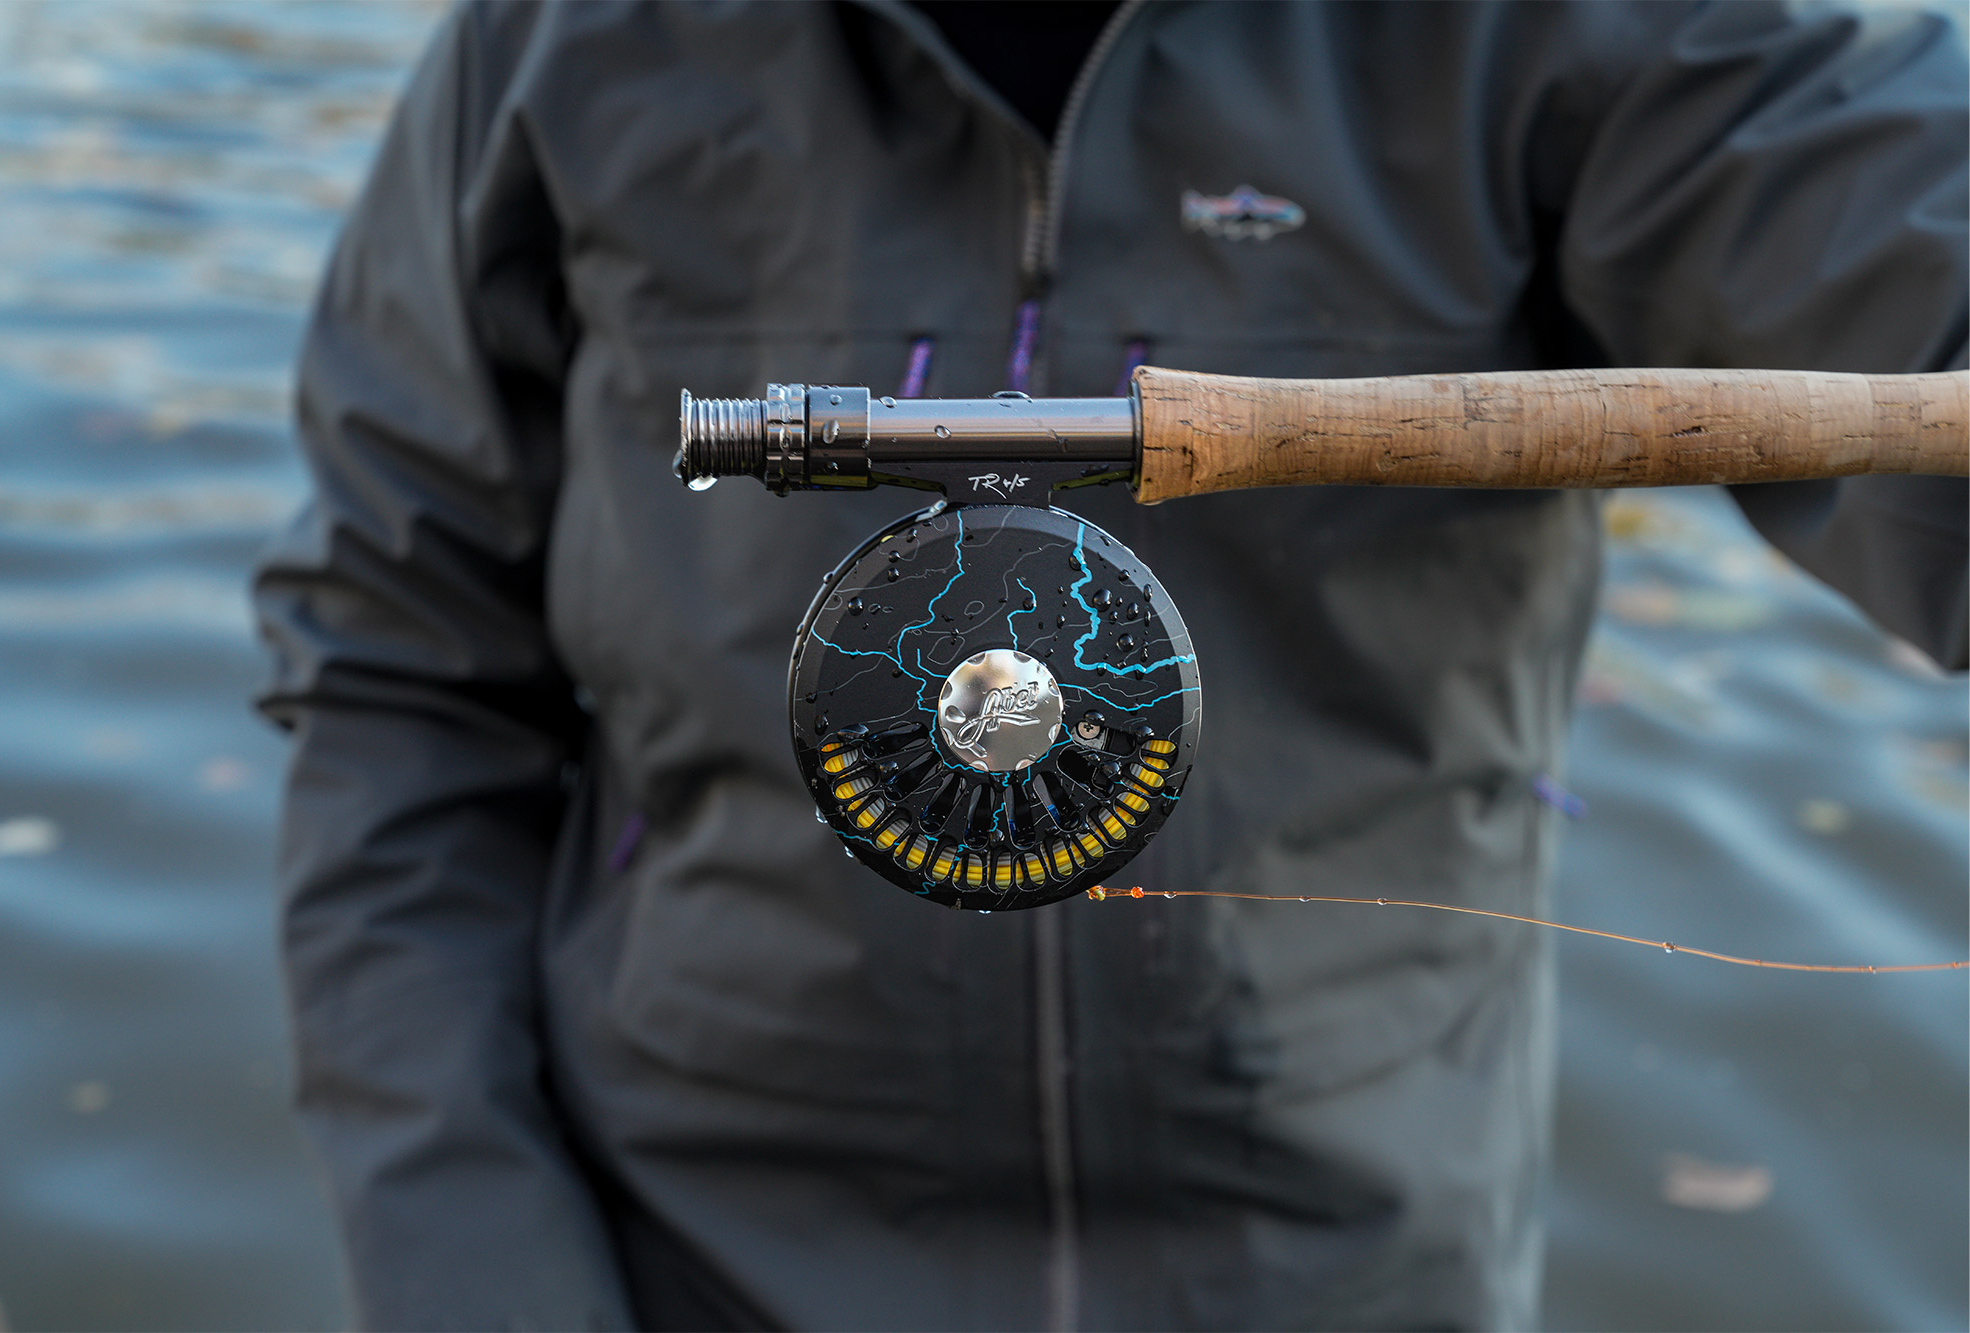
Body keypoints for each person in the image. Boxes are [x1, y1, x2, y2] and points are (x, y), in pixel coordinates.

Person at [252, 3, 1967, 1329]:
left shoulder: (1588, 37)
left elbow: (1897, 230)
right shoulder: (555, 49)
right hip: (689, 1261)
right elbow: (392, 678)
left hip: (1353, 1276)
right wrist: (474, 1272)